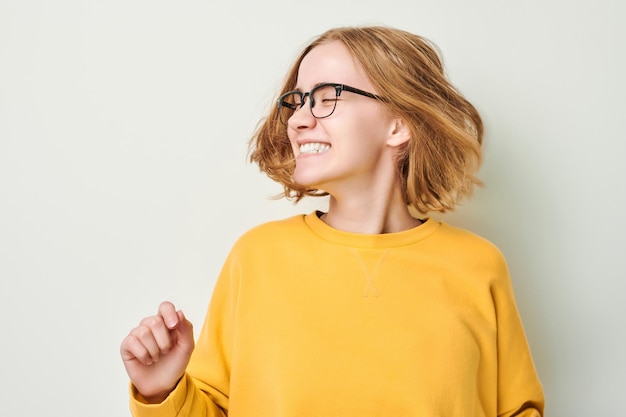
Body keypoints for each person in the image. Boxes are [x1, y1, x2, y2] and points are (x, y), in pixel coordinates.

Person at [120, 25, 544, 416]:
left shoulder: (478, 266)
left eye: (327, 98)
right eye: (298, 101)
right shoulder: (257, 258)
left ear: (399, 124)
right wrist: (163, 393)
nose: (299, 119)